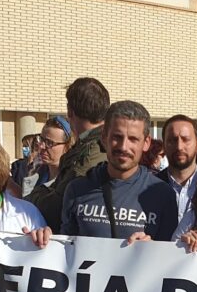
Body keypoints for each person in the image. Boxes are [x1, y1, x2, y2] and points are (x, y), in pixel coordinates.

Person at [59, 100, 177, 242]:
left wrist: (151, 249)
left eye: (133, 139)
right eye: (117, 137)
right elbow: (64, 251)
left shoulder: (163, 195)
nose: (123, 147)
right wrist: (41, 241)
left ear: (146, 143)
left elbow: (169, 258)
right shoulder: (76, 190)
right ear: (104, 137)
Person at [35, 77, 110, 229]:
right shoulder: (88, 144)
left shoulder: (95, 149)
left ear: (70, 111)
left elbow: (59, 204)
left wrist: (28, 200)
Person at [157, 114, 197, 228]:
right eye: (172, 140)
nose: (179, 147)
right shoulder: (150, 187)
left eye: (186, 140)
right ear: (164, 145)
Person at [24, 116, 74, 203]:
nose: (41, 146)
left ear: (67, 146)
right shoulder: (35, 173)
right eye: (41, 139)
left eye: (49, 143)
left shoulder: (70, 182)